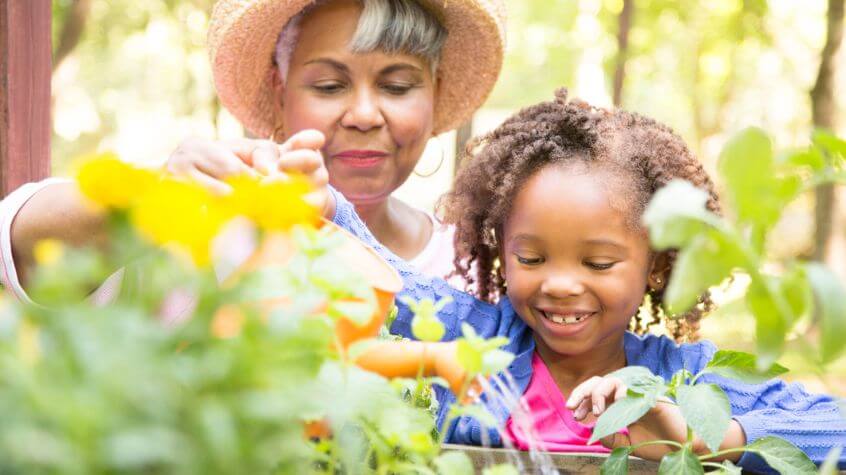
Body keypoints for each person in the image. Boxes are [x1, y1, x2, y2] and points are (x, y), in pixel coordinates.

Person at [318, 89, 846, 472]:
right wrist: (323, 206)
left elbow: (834, 427)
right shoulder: (478, 339)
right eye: (532, 258)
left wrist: (710, 436)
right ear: (502, 250)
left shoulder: (688, 379)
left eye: (597, 264)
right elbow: (395, 285)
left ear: (656, 266)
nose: (561, 285)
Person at [0, 0, 506, 301]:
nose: (365, 114)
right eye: (329, 86)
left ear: (435, 94)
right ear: (279, 91)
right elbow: (16, 246)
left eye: (397, 87)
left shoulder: (481, 269)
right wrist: (152, 197)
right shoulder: (211, 232)